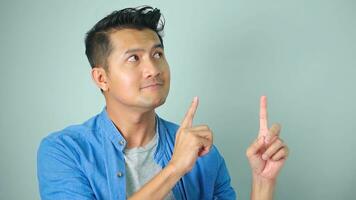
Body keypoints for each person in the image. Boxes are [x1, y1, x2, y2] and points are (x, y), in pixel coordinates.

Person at [37, 6, 289, 200]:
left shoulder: (203, 154)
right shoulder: (65, 151)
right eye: (134, 58)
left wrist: (262, 181)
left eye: (157, 54)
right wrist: (174, 168)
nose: (153, 69)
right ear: (102, 78)